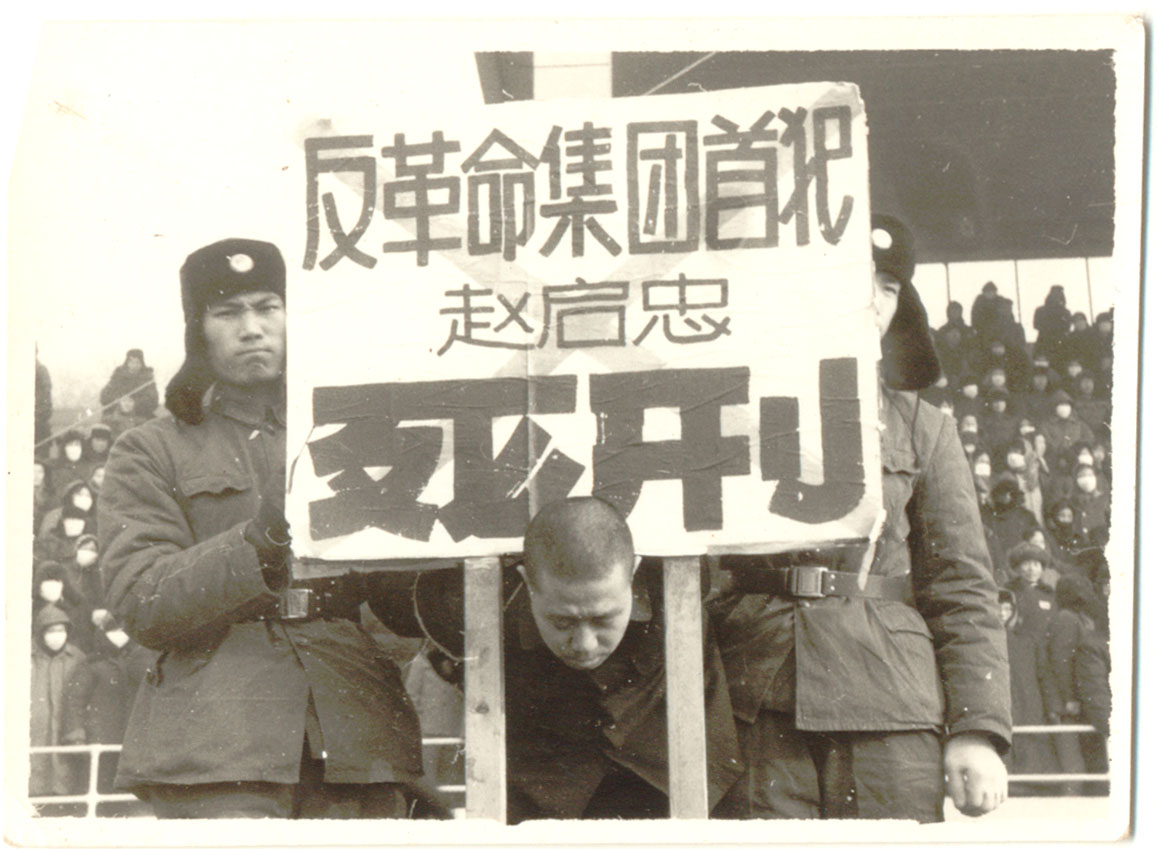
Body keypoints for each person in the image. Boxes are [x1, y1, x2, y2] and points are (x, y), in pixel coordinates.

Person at [98, 237, 434, 819]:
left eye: (267, 307)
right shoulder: (149, 449)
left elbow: (399, 597)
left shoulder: (353, 431)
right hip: (218, 743)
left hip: (356, 731)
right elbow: (140, 597)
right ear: (198, 331)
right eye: (228, 312)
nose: (251, 328)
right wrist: (262, 540)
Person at [713, 214, 1010, 822]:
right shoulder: (732, 409)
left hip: (891, 704)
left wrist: (977, 730)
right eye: (857, 279)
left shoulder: (924, 427)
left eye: (889, 287)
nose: (873, 299)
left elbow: (962, 586)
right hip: (756, 698)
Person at [413, 497, 743, 822]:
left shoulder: (677, 584)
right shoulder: (466, 607)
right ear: (528, 583)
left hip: (664, 778)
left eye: (604, 619)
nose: (585, 645)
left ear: (634, 572)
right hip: (541, 793)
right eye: (562, 622)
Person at [30, 604, 87, 798]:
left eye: (61, 630)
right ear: (41, 632)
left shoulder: (77, 657)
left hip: (64, 724)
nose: (57, 636)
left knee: (63, 772)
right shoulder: (27, 656)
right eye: (51, 631)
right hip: (35, 725)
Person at [100, 348, 159, 422]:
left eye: (137, 362)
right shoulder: (118, 376)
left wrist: (134, 404)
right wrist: (119, 401)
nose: (134, 365)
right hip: (116, 415)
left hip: (139, 416)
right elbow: (104, 396)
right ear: (127, 363)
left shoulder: (147, 378)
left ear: (141, 364)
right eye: (131, 362)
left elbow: (153, 401)